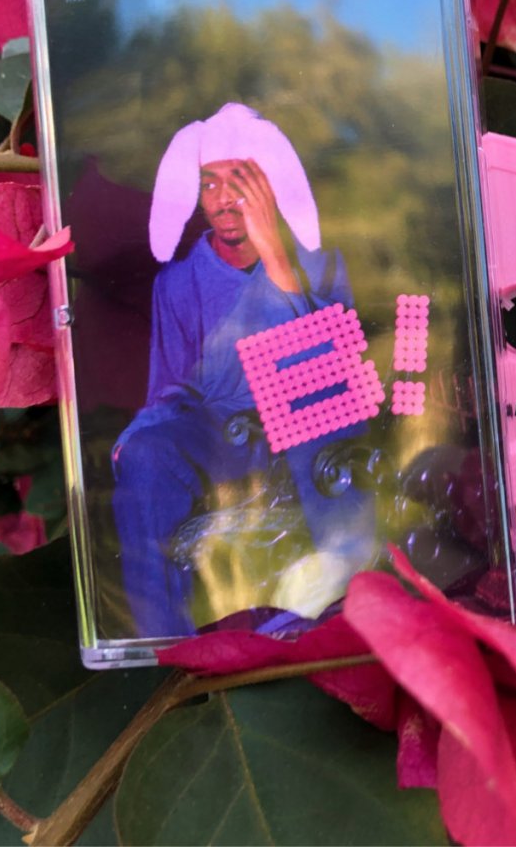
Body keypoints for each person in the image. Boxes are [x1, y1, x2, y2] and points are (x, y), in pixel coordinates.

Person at [111, 103, 370, 638]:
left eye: (240, 180)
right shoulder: (176, 284)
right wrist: (140, 436)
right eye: (209, 183)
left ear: (271, 184)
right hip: (223, 442)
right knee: (146, 453)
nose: (223, 198)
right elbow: (170, 390)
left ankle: (347, 599)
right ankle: (165, 644)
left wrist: (277, 261)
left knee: (319, 410)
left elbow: (336, 378)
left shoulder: (321, 262)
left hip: (312, 432)